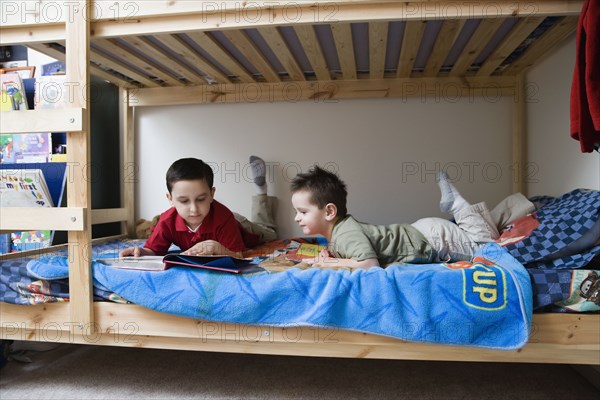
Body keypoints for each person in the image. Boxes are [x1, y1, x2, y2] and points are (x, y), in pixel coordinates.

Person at [290, 166, 534, 269]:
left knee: (487, 248)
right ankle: (514, 206)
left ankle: (458, 204)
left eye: (302, 212)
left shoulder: (345, 234)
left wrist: (336, 263)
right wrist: (331, 255)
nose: (296, 219)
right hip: (424, 231)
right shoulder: (341, 233)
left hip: (434, 241)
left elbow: (369, 266)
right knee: (480, 233)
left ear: (330, 211)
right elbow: (353, 251)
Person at [120, 156, 277, 257]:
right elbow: (154, 251)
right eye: (184, 201)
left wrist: (218, 248)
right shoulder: (166, 221)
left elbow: (239, 255)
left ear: (211, 194)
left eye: (201, 199)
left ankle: (261, 190)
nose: (194, 209)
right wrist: (141, 252)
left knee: (270, 234)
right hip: (215, 214)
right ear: (170, 199)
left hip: (238, 223)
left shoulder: (224, 219)